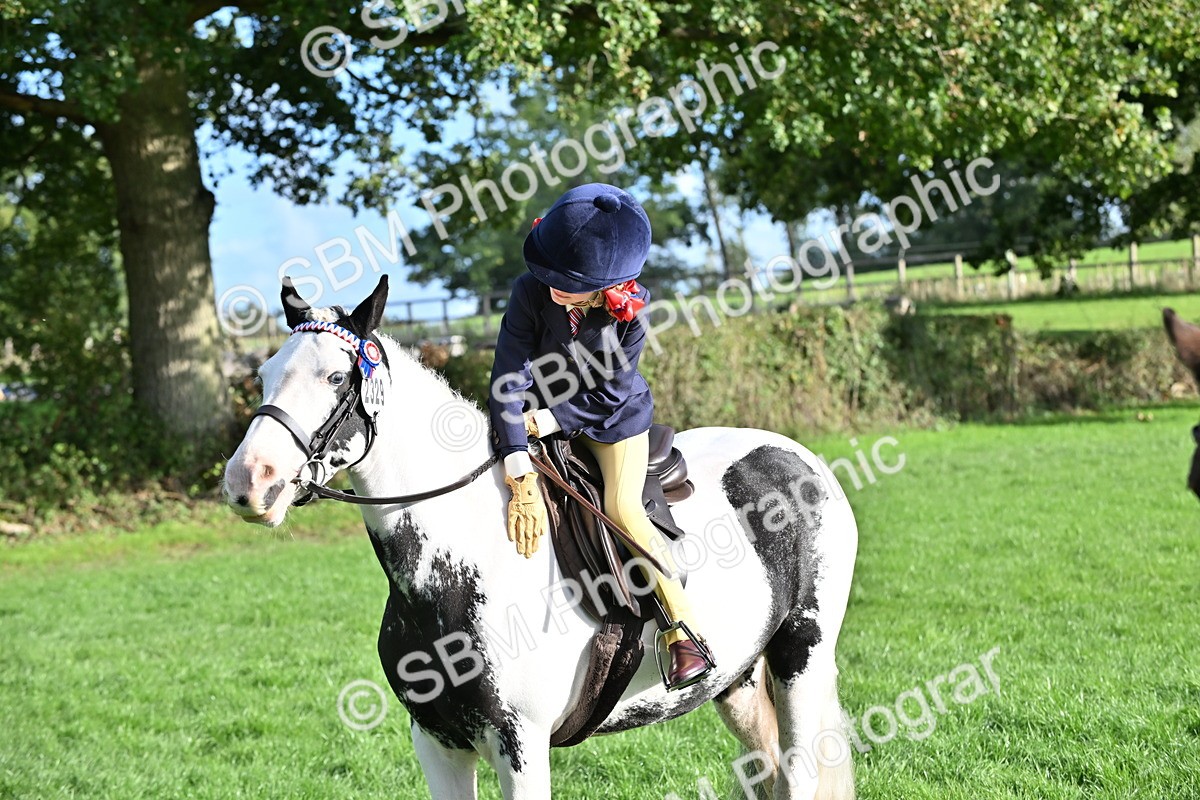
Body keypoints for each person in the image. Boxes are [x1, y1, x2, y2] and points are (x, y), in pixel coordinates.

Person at [487, 182, 713, 691]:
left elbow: (609, 393)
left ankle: (684, 629)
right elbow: (508, 376)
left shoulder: (630, 315)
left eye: (565, 281)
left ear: (602, 284)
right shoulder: (530, 291)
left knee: (622, 509)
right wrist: (516, 458)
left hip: (612, 421)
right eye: (547, 273)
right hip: (531, 416)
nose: (550, 285)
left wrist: (548, 420)